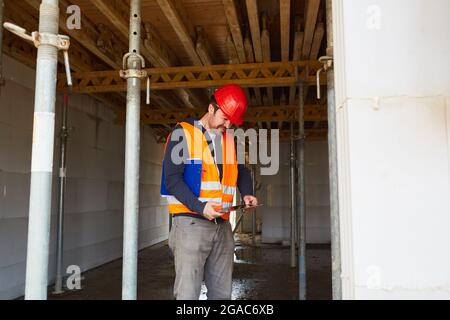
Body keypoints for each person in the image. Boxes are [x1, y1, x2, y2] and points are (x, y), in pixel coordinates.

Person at [160, 84, 258, 300]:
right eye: (225, 118)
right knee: (188, 294)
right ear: (211, 108)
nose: (228, 124)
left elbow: (241, 170)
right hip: (190, 224)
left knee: (222, 294)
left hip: (222, 226)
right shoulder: (183, 133)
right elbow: (173, 180)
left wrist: (247, 193)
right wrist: (201, 207)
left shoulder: (229, 138)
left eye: (232, 121)